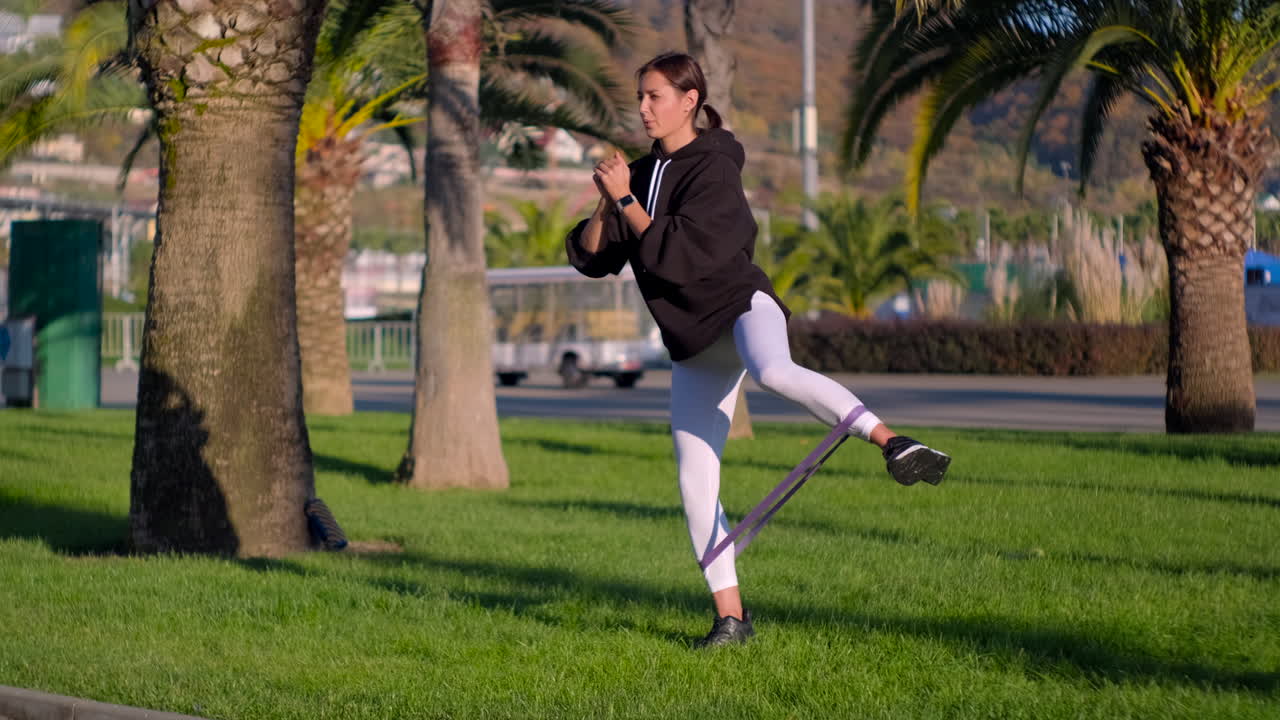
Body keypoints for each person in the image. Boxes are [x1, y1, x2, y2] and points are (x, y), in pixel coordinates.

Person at [564, 51, 952, 649]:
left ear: (689, 100)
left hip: (742, 307)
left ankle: (893, 443)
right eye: (639, 97)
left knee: (773, 370)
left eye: (655, 96)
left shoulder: (716, 164)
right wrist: (606, 199)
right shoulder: (636, 177)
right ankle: (732, 620)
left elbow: (680, 255)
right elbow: (594, 259)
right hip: (693, 339)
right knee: (696, 481)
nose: (642, 108)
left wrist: (626, 203)